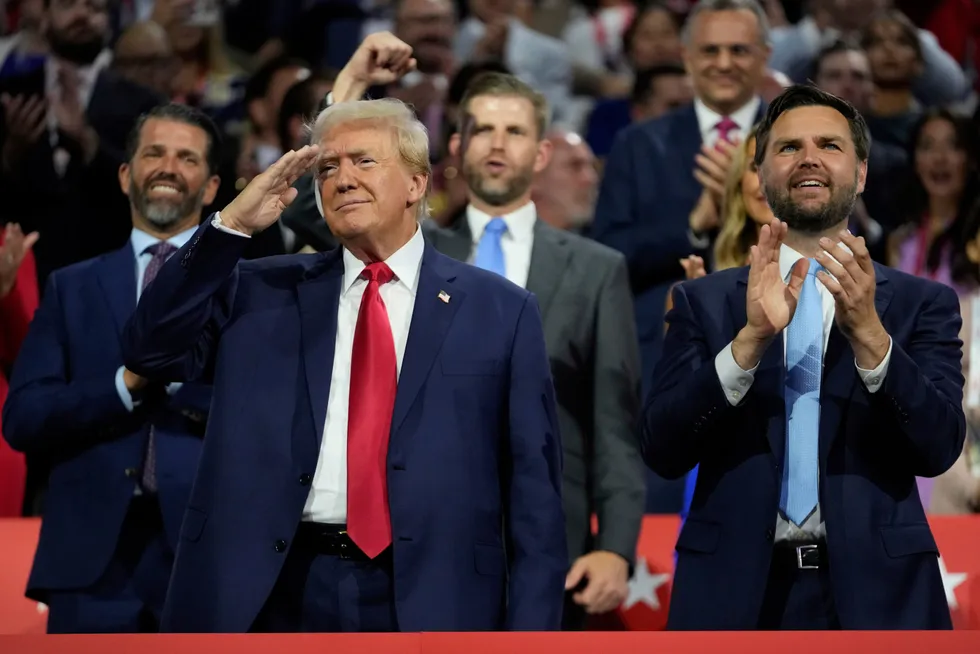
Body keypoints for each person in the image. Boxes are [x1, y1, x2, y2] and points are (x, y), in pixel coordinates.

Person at [121, 34, 567, 634]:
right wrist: (229, 226)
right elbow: (150, 347)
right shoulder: (259, 288)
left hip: (430, 598)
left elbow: (536, 502)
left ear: (416, 183)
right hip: (270, 592)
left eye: (363, 162)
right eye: (327, 167)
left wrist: (532, 640)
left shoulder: (501, 311)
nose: (341, 178)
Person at [642, 84, 964, 630]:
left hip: (880, 598)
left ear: (861, 173)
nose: (809, 158)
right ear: (762, 175)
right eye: (788, 148)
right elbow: (663, 447)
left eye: (829, 146)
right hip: (733, 597)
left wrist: (870, 336)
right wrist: (748, 342)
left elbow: (938, 447)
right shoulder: (704, 302)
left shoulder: (921, 303)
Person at [424, 72, 644, 630]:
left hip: (554, 544)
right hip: (425, 537)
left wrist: (617, 546)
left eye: (515, 131)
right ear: (456, 145)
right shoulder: (412, 257)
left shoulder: (596, 269)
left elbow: (613, 420)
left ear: (541, 151)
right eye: (483, 129)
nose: (498, 144)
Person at [1, 103, 217, 633]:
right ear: (125, 175)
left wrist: (174, 382)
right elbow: (23, 416)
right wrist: (124, 385)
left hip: (206, 555)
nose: (168, 167)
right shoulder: (70, 287)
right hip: (88, 565)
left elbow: (269, 414)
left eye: (187, 158)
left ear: (211, 188)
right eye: (154, 153)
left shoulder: (243, 285)